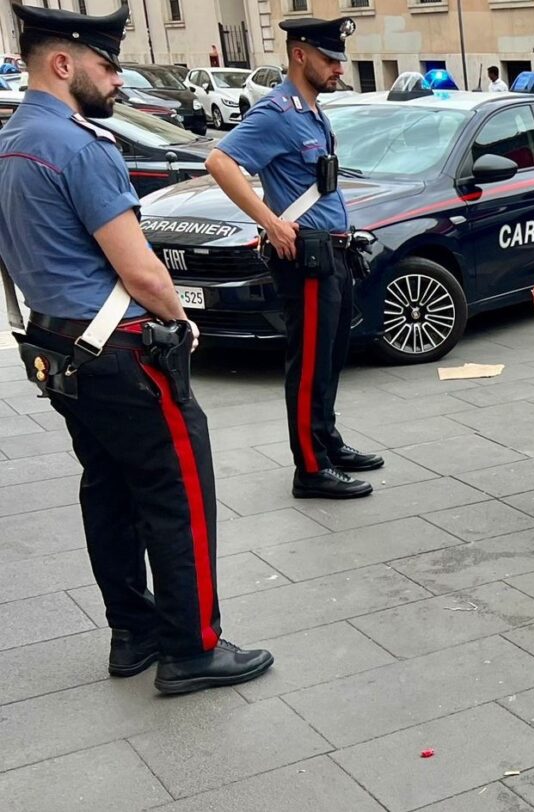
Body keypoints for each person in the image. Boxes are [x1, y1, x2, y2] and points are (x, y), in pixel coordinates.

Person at [0, 2, 272, 695]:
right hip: (122, 350)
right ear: (63, 65)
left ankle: (134, 633)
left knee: (109, 488)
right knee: (177, 492)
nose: (117, 80)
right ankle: (192, 647)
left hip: (58, 345)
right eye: (105, 65)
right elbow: (142, 270)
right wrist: (182, 319)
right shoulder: (81, 146)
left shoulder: (11, 141)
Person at [204, 16, 383, 500]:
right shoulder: (276, 112)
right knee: (307, 363)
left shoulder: (312, 113)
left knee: (330, 356)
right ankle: (310, 468)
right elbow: (220, 162)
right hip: (305, 258)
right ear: (299, 55)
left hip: (333, 254)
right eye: (330, 60)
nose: (339, 70)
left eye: (341, 61)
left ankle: (325, 440)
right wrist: (271, 221)